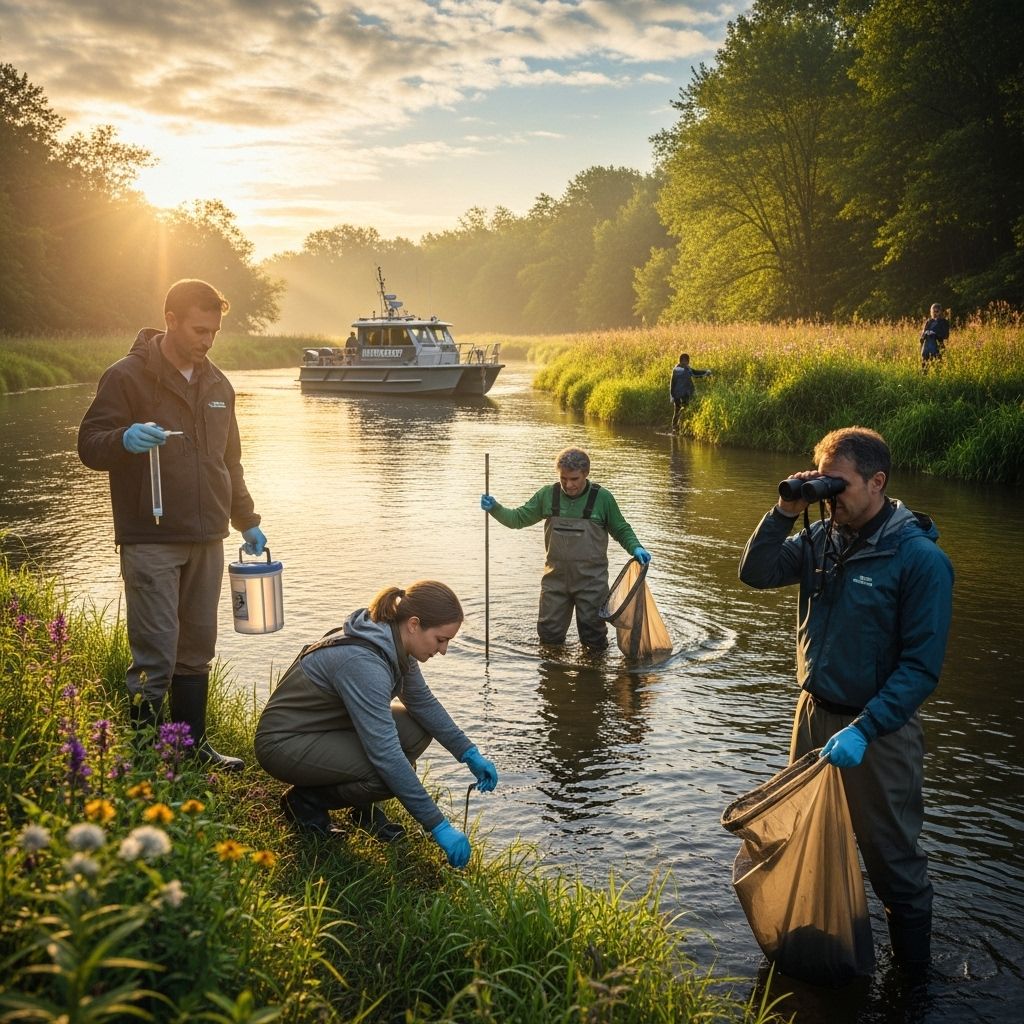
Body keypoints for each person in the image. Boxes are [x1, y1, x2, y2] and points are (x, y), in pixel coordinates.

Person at [738, 427, 953, 972]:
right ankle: (816, 956)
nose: (831, 498)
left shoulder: (919, 560)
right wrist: (786, 509)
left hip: (876, 732)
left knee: (893, 862)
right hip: (811, 717)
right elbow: (755, 572)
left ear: (878, 482)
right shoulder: (819, 539)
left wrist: (864, 727)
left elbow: (920, 668)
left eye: (842, 485)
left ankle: (913, 981)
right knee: (799, 840)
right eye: (824, 484)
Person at [78, 279, 266, 771]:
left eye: (214, 332)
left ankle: (190, 751)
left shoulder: (219, 385)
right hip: (151, 538)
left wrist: (246, 520)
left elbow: (230, 462)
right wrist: (124, 438)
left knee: (196, 650)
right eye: (199, 330)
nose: (207, 341)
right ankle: (143, 760)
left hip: (208, 539)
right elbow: (89, 444)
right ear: (171, 320)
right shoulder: (126, 377)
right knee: (155, 654)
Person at [254, 580, 497, 866]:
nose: (443, 650)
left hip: (324, 729)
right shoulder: (365, 663)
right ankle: (306, 803)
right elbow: (387, 756)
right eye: (441, 639)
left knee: (416, 729)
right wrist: (438, 826)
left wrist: (468, 752)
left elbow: (422, 704)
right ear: (414, 624)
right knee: (388, 773)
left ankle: (362, 809)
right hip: (284, 743)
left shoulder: (393, 641)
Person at [480, 447, 651, 651]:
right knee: (548, 638)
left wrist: (636, 547)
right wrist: (496, 509)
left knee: (594, 640)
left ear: (586, 474)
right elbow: (517, 519)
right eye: (563, 479)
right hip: (555, 582)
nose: (568, 485)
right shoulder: (547, 495)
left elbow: (621, 529)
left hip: (592, 584)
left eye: (574, 479)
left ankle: (593, 678)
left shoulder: (602, 498)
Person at [670, 353, 713, 430]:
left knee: (679, 411)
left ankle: (677, 428)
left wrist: (672, 395)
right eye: (686, 361)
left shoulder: (678, 369)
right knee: (680, 410)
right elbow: (695, 374)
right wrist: (706, 373)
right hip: (681, 395)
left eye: (687, 362)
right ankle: (677, 428)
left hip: (680, 395)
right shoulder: (682, 370)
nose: (687, 363)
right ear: (684, 361)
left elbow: (672, 383)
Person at [919, 303, 949, 370]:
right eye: (933, 312)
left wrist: (935, 334)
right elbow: (922, 337)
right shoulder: (929, 321)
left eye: (937, 311)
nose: (935, 313)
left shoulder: (944, 322)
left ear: (941, 312)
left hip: (938, 348)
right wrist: (925, 334)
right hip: (926, 348)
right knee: (924, 369)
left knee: (938, 369)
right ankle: (923, 379)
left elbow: (946, 335)